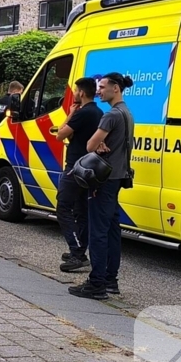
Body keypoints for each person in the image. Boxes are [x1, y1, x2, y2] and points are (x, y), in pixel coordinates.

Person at [69, 72, 135, 300]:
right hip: (118, 177)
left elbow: (89, 145)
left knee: (98, 232)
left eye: (103, 87)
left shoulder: (111, 115)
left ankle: (96, 284)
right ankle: (110, 280)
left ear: (116, 88)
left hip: (103, 180)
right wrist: (102, 143)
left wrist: (97, 144)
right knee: (113, 230)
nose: (99, 91)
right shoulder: (127, 113)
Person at [55, 77, 104, 272]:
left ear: (82, 93)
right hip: (89, 167)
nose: (74, 93)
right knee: (81, 210)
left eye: (76, 90)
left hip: (75, 167)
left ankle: (77, 253)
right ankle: (80, 248)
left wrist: (70, 114)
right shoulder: (98, 112)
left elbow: (60, 135)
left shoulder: (82, 113)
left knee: (63, 207)